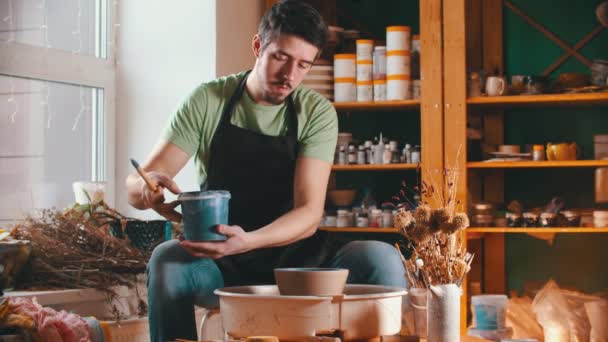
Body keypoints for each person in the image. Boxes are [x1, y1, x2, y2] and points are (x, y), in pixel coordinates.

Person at [126, 1, 406, 341]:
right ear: (258, 46)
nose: (290, 76)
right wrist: (147, 188)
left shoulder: (315, 112)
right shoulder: (208, 100)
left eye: (303, 65)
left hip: (298, 259)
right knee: (166, 260)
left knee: (381, 257)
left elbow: (309, 212)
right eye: (281, 58)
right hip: (220, 260)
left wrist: (248, 241)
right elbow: (138, 183)